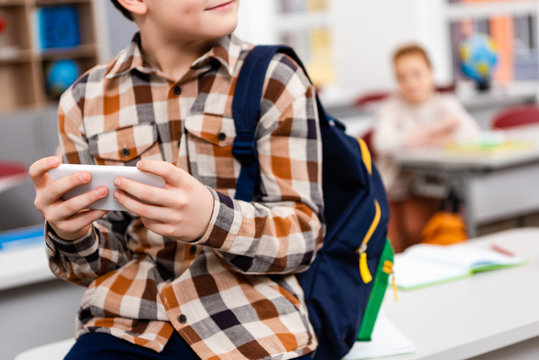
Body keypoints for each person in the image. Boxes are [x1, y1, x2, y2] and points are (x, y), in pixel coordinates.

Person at [29, 1, 324, 359]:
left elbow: (304, 235)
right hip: (126, 325)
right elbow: (88, 268)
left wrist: (213, 220)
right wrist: (69, 232)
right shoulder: (82, 100)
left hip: (251, 326)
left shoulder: (275, 78)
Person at [372, 44, 479, 253]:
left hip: (432, 190)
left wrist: (416, 139)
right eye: (402, 77)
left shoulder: (446, 104)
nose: (410, 82)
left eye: (416, 74)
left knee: (416, 230)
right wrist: (435, 132)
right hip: (391, 191)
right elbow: (383, 143)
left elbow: (471, 135)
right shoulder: (390, 108)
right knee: (389, 245)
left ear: (431, 73)